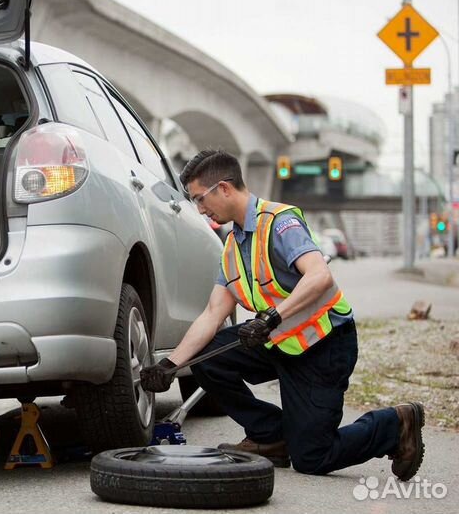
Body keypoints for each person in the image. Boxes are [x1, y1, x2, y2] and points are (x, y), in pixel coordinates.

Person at [140, 149, 424, 480]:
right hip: (279, 342)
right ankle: (270, 435)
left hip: (323, 347)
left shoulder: (280, 222)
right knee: (205, 357)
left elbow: (319, 275)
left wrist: (271, 317)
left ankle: (395, 424)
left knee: (313, 457)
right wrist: (171, 365)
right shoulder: (233, 247)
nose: (201, 210)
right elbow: (213, 313)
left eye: (201, 199)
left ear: (225, 188)